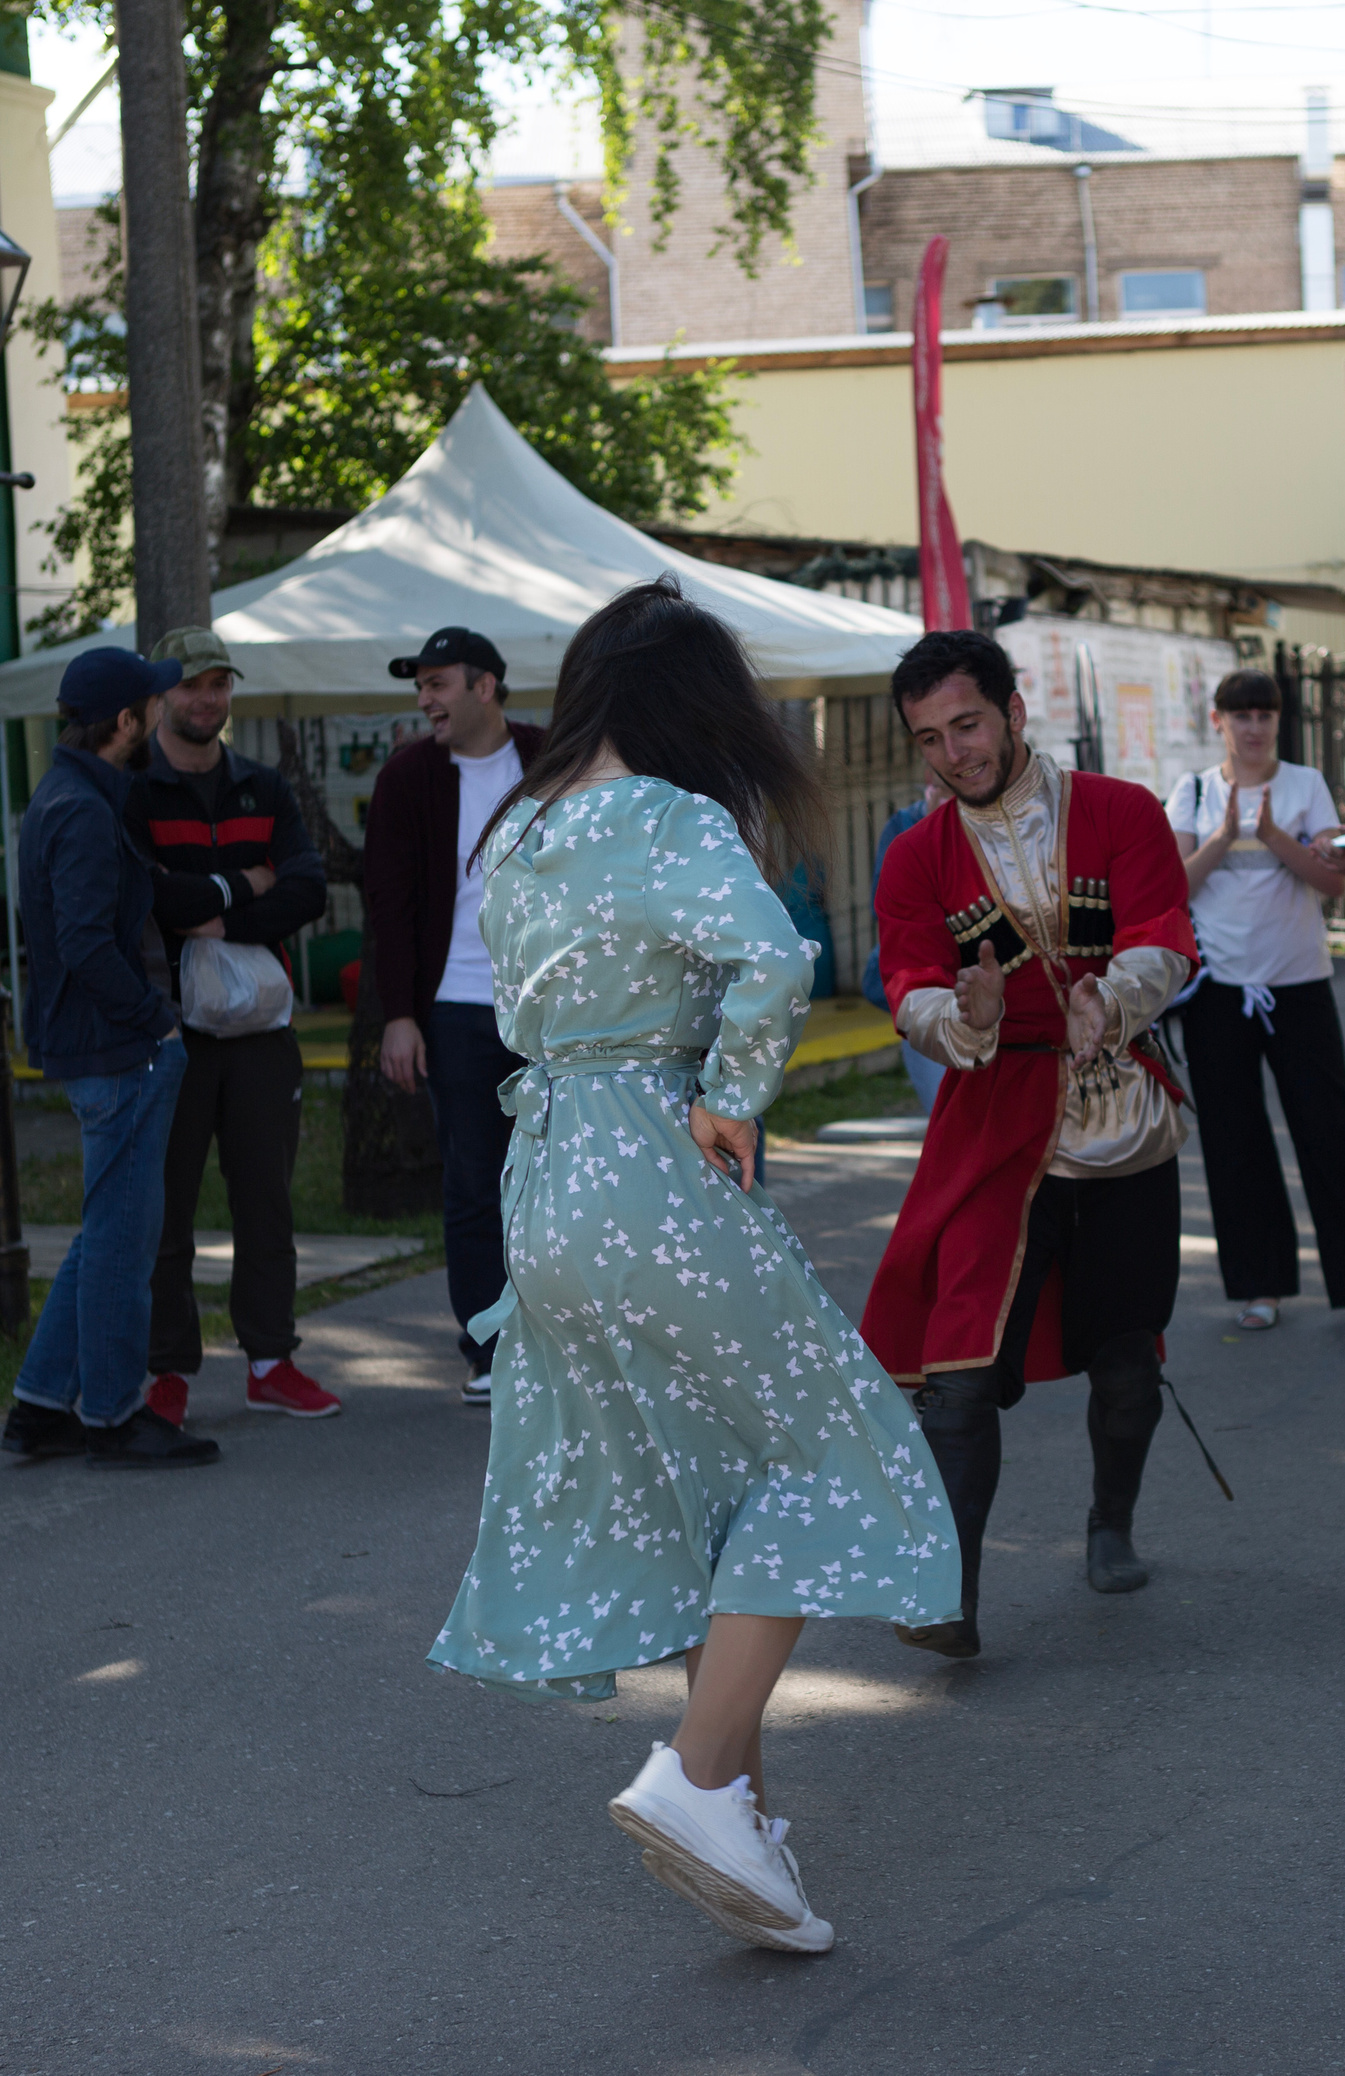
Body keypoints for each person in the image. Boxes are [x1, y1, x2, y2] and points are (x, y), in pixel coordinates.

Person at [428, 579, 956, 1956]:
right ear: (692, 704)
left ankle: (747, 1842)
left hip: (545, 1182)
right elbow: (773, 958)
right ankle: (701, 1778)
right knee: (840, 1454)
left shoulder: (524, 823)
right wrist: (731, 1091)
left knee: (706, 1490)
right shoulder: (666, 816)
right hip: (655, 1163)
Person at [861, 628, 1198, 1659]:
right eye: (929, 738)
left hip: (1122, 1122)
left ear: (1013, 710)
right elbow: (909, 983)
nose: (953, 753)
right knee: (953, 1368)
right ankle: (945, 1596)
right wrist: (955, 1018)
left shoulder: (1120, 812)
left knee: (1125, 1357)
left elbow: (1165, 936)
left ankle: (1110, 1521)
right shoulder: (915, 856)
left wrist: (1117, 994)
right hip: (994, 1129)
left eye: (966, 724)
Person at [0, 648, 213, 1470]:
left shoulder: (63, 796)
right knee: (124, 1240)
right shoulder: (83, 812)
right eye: (153, 704)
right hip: (118, 1049)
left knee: (102, 1233)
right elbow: (86, 941)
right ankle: (115, 1415)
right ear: (125, 722)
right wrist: (154, 1020)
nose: (161, 713)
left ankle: (39, 1406)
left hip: (97, 1045)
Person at [129, 626, 334, 1424]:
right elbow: (147, 897)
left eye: (218, 683)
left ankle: (270, 1360)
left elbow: (309, 890)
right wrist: (240, 885)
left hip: (259, 1031)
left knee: (266, 1203)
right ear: (160, 697)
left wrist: (209, 911)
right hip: (168, 1033)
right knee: (167, 1209)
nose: (206, 699)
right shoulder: (135, 791)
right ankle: (168, 1372)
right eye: (189, 684)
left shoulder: (264, 787)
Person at [1166, 668, 1345, 1335]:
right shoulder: (1192, 791)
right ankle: (1259, 1285)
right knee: (1235, 1143)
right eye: (1240, 715)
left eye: (1264, 714)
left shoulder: (1305, 785)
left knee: (1331, 1134)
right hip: (1218, 992)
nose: (1253, 727)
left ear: (1278, 721)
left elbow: (1334, 883)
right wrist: (1226, 835)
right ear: (1218, 721)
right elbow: (1173, 885)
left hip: (1299, 983)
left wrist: (1273, 836)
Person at [362, 627, 546, 1402]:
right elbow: (388, 907)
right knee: (474, 1182)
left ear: (486, 686)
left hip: (550, 1009)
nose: (426, 700)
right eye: (420, 687)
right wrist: (396, 1016)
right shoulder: (408, 778)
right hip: (458, 1008)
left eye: (439, 684)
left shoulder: (552, 757)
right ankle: (488, 1349)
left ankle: (562, 1340)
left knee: (559, 1178)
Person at [860, 777, 951, 1114]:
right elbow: (884, 908)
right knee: (943, 1111)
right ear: (928, 784)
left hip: (978, 984)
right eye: (943, 791)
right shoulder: (904, 826)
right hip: (927, 988)